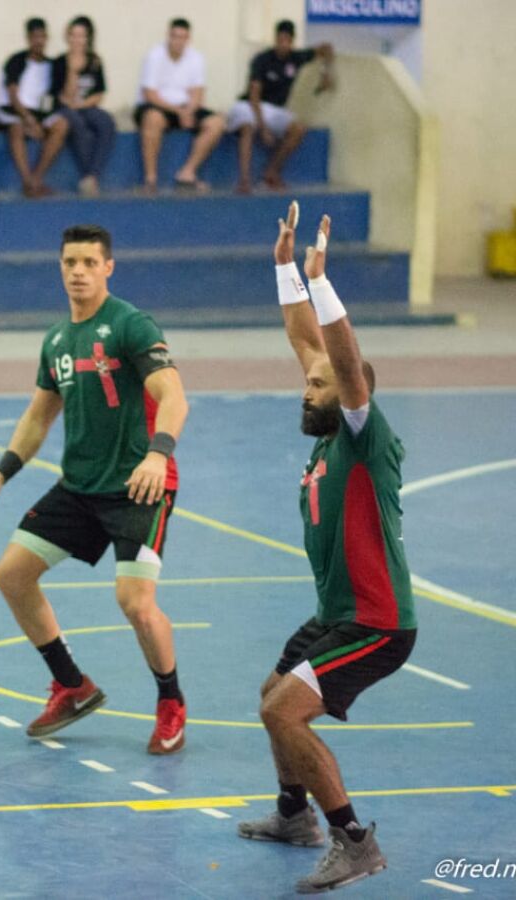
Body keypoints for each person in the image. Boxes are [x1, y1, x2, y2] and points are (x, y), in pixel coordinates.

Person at [236, 202, 414, 893]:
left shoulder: (365, 440)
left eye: (318, 386)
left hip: (377, 620)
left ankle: (352, 839)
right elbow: (307, 341)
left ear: (349, 396)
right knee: (270, 694)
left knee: (285, 710)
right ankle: (293, 816)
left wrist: (323, 280)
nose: (305, 388)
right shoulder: (325, 436)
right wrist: (284, 268)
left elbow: (339, 353)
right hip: (336, 611)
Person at [0, 224, 190, 753]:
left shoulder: (131, 325)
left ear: (108, 267)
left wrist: (158, 454)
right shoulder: (56, 341)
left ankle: (171, 703)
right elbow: (38, 417)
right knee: (12, 575)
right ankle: (72, 684)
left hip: (139, 484)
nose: (78, 272)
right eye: (70, 262)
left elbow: (175, 395)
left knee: (135, 602)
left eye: (90, 262)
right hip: (80, 486)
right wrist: (1, 472)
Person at [228, 20, 333, 193]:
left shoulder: (296, 58)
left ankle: (272, 172)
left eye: (287, 40)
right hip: (251, 106)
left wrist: (326, 74)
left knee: (298, 129)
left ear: (291, 41)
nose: (283, 44)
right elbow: (254, 94)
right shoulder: (262, 59)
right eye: (280, 39)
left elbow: (326, 48)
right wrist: (262, 128)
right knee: (247, 127)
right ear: (276, 39)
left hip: (276, 110)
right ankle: (244, 180)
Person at [134, 18, 226, 193]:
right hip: (158, 105)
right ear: (169, 36)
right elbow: (150, 94)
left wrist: (189, 111)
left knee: (216, 123)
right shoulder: (154, 56)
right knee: (153, 119)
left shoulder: (196, 58)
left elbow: (198, 92)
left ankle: (187, 172)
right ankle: (150, 179)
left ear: (188, 39)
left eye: (183, 37)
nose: (178, 41)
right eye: (175, 36)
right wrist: (179, 112)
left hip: (184, 106)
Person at [0, 17, 70, 198]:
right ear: (28, 38)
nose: (39, 41)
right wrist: (29, 120)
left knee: (62, 125)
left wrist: (40, 122)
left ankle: (36, 178)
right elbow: (13, 95)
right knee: (17, 128)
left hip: (37, 114)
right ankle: (27, 181)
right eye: (35, 37)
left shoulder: (51, 65)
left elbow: (50, 98)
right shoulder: (16, 60)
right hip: (11, 110)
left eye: (43, 37)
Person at [52, 16, 116, 198]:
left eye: (81, 36)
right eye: (73, 35)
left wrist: (82, 104)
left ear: (88, 38)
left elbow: (99, 94)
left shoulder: (95, 61)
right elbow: (64, 97)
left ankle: (91, 176)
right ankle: (89, 177)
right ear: (68, 37)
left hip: (86, 106)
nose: (77, 40)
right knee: (76, 123)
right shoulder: (59, 62)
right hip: (64, 107)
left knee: (106, 122)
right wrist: (73, 70)